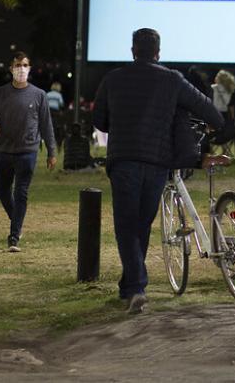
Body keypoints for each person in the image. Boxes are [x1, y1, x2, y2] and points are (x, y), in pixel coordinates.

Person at [93, 28, 223, 314]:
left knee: (127, 226)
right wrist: (221, 127)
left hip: (123, 160)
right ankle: (132, 286)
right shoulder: (171, 79)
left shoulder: (113, 79)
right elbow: (205, 107)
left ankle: (135, 287)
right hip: (156, 162)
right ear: (158, 53)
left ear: (132, 51)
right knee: (140, 225)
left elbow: (99, 121)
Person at [0, 51, 57, 253]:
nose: (21, 69)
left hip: (28, 151)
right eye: (17, 65)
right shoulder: (0, 94)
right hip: (5, 150)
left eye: (24, 65)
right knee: (2, 191)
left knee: (20, 191)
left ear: (29, 68)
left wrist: (52, 151)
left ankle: (14, 236)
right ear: (11, 68)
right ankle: (17, 220)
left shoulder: (39, 95)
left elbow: (46, 125)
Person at [211, 69, 235, 155]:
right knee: (223, 133)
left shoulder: (212, 88)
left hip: (213, 114)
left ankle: (210, 151)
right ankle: (225, 151)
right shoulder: (229, 91)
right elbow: (231, 106)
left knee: (212, 132)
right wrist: (233, 119)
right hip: (225, 115)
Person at [46, 82, 65, 150]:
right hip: (56, 112)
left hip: (48, 112)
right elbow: (61, 104)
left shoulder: (48, 94)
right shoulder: (59, 95)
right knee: (56, 127)